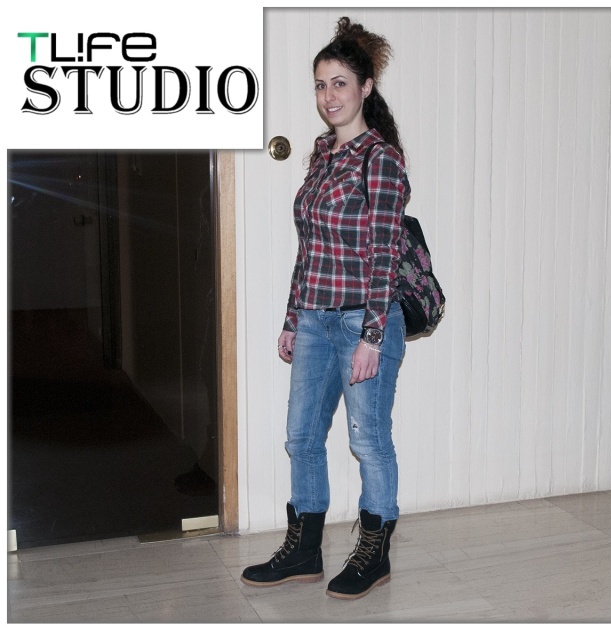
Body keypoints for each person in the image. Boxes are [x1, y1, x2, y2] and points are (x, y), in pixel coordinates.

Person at [241, 16, 410, 601]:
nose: (329, 96)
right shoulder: (320, 154)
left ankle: (374, 552)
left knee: (369, 440)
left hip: (364, 319)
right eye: (320, 85)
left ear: (365, 87)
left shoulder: (380, 159)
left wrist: (372, 335)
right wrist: (293, 319)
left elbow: (385, 253)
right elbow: (309, 248)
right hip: (314, 318)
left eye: (340, 83)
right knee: (301, 436)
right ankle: (304, 550)